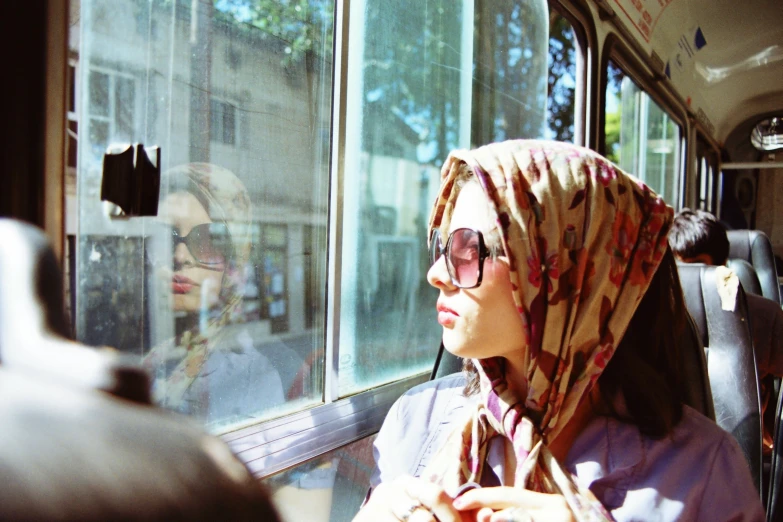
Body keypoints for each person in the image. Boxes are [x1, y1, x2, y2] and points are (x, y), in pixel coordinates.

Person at [354, 140, 764, 522]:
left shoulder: (700, 473)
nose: (436, 274)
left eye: (469, 249)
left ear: (570, 275)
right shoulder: (415, 421)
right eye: (443, 247)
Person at [143, 163, 299, 427]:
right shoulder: (159, 357)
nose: (179, 257)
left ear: (234, 261)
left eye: (202, 241)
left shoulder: (255, 375)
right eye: (170, 239)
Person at [669, 208, 783, 450]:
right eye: (678, 270)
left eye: (695, 269)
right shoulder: (646, 320)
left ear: (721, 265)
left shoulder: (762, 316)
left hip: (738, 446)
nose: (684, 282)